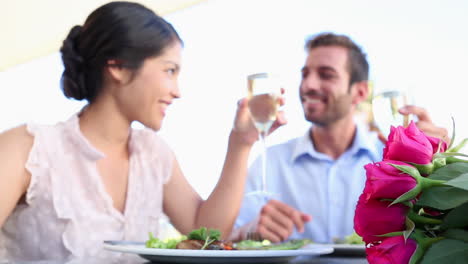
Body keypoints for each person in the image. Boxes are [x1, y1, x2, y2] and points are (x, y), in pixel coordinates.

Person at [0, 2, 285, 261]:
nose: (177, 91)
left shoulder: (154, 154)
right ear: (118, 67)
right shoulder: (28, 150)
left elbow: (207, 233)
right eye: (169, 71)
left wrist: (241, 142)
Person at [230, 32, 449, 244]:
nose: (309, 85)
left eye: (326, 75)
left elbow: (439, 231)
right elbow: (227, 237)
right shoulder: (270, 162)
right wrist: (248, 232)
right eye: (305, 74)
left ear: (360, 93)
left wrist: (440, 167)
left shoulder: (395, 164)